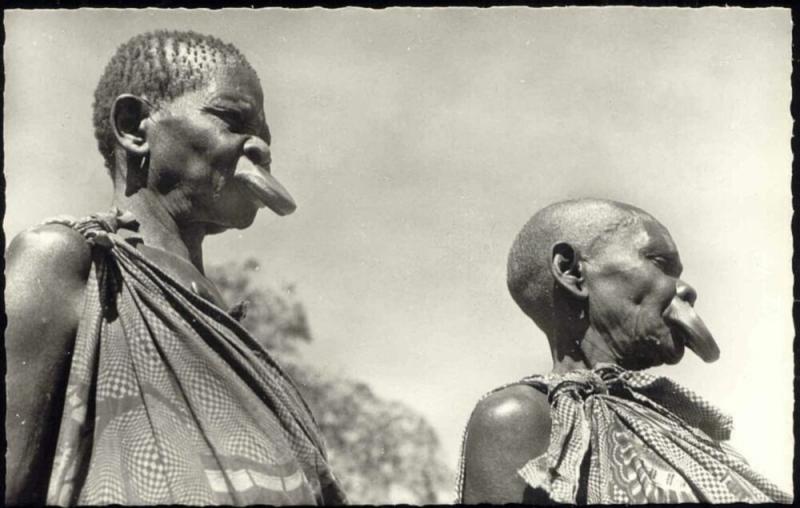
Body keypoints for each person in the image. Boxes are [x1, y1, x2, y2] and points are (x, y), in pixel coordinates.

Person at [5, 30, 346, 506]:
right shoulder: (67, 262)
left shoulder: (240, 346)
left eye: (265, 137)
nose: (262, 150)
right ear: (135, 126)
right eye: (232, 119)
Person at [456, 198, 791, 504]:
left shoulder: (681, 426)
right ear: (573, 272)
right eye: (660, 264)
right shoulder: (521, 418)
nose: (686, 289)